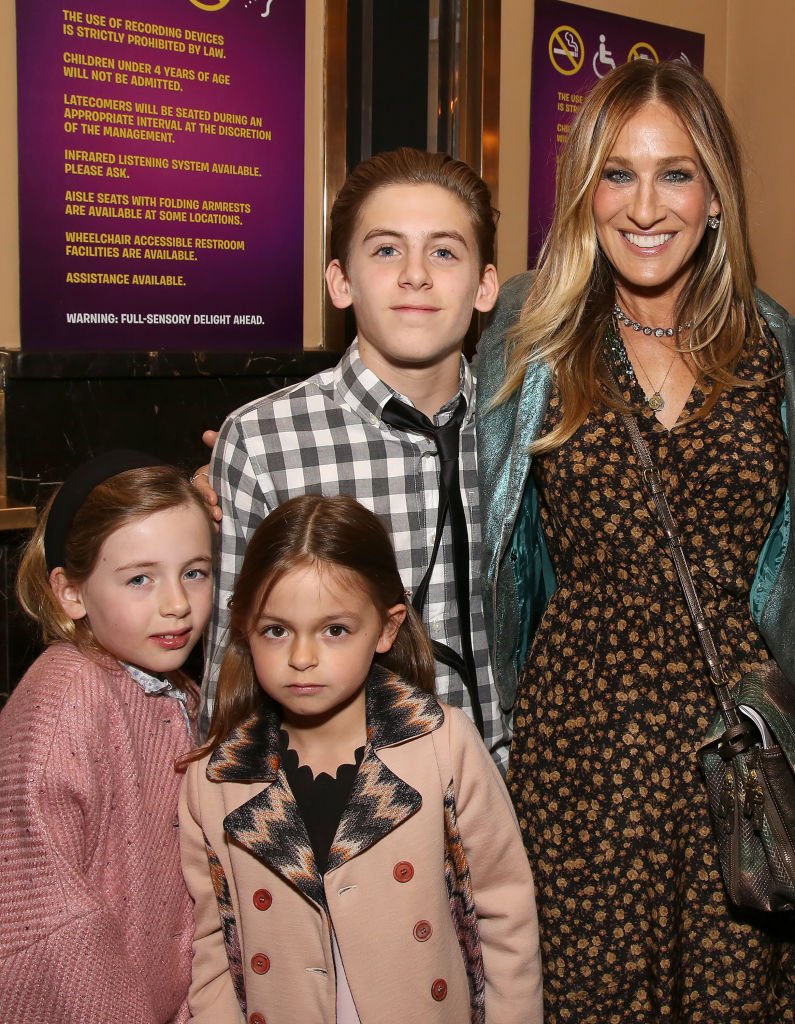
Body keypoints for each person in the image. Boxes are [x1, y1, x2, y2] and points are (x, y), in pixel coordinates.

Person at [477, 59, 795, 1022]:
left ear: (713, 198)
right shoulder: (533, 337)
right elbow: (436, 450)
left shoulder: (773, 344)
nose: (644, 205)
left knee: (743, 996)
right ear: (585, 192)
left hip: (740, 749)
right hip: (581, 746)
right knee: (591, 996)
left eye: (674, 173)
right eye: (617, 174)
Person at [179, 493, 542, 1023]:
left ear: (387, 628)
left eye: (335, 630)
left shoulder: (441, 746)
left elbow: (505, 911)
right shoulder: (216, 781)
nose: (302, 658)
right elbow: (211, 946)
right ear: (244, 628)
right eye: (276, 630)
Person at [200, 147, 509, 768]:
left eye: (445, 251)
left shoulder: (525, 430)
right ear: (341, 281)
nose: (416, 275)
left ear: (484, 287)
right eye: (386, 249)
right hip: (342, 812)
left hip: (516, 798)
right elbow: (230, 674)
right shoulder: (266, 442)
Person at [0, 451, 214, 1024]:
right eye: (140, 578)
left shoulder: (179, 691)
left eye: (195, 572)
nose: (176, 604)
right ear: (71, 593)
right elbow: (43, 923)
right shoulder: (65, 706)